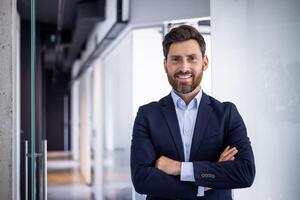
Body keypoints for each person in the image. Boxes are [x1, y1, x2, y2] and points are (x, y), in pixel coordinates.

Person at [130, 25, 255, 200]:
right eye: (176, 59)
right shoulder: (147, 115)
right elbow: (141, 179)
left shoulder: (227, 113)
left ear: (204, 63)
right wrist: (202, 184)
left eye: (192, 58)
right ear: (165, 65)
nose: (184, 67)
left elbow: (245, 173)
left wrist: (179, 168)